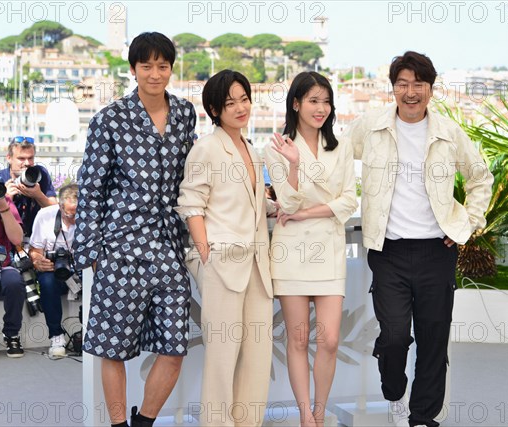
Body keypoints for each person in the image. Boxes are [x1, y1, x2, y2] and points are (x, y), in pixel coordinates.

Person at [342, 51, 494, 427]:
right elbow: (334, 156)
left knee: (433, 339)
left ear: (431, 89)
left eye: (418, 85)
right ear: (393, 88)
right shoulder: (371, 126)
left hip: (436, 250)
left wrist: (466, 223)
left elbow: (480, 177)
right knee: (393, 336)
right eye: (403, 84)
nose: (410, 92)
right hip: (388, 250)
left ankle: (423, 416)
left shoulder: (448, 132)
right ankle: (394, 391)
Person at [73, 32, 196, 427]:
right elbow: (91, 187)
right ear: (133, 69)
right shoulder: (109, 119)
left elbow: (192, 176)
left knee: (175, 346)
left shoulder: (184, 114)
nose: (155, 74)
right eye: (147, 66)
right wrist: (90, 252)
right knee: (113, 348)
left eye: (163, 66)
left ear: (171, 69)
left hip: (168, 245)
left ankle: (144, 421)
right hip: (120, 246)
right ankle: (117, 424)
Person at [176, 69, 274, 427]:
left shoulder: (251, 148)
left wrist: (272, 207)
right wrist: (207, 254)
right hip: (222, 266)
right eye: (230, 102)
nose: (240, 107)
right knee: (221, 359)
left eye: (244, 99)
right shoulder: (206, 147)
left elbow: (250, 203)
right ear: (215, 109)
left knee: (257, 358)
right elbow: (191, 204)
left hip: (257, 268)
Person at [264, 72, 358, 427]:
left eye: (326, 101)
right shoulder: (275, 146)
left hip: (329, 249)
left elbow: (349, 200)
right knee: (299, 339)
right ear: (296, 103)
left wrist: (306, 212)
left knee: (330, 340)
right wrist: (293, 164)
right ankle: (307, 415)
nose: (321, 108)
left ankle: (321, 409)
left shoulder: (341, 146)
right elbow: (285, 201)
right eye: (313, 101)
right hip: (291, 252)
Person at [29, 183, 78, 358]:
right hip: (54, 273)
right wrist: (38, 261)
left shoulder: (89, 218)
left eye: (77, 214)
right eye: (69, 214)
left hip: (82, 271)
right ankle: (56, 336)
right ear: (59, 206)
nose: (74, 219)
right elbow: (34, 251)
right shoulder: (45, 216)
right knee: (47, 281)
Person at [0, 161, 26, 358]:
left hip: (2, 264)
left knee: (14, 283)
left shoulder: (4, 202)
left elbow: (17, 239)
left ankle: (12, 334)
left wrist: (2, 208)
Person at [0, 136, 57, 239]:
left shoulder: (39, 175)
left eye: (30, 158)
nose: (27, 163)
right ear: (9, 158)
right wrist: (6, 200)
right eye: (21, 158)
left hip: (35, 238)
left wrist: (38, 195)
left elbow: (55, 210)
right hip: (7, 240)